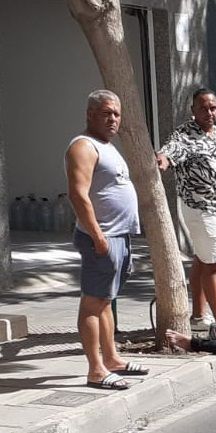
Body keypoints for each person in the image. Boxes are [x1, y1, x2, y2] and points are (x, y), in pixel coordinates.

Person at [65, 89, 147, 390]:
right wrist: (98, 236)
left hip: (118, 236)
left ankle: (112, 359)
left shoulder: (107, 145)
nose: (113, 119)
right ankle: (96, 370)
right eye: (106, 113)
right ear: (90, 114)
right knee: (92, 302)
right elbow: (78, 194)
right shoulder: (83, 146)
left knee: (106, 301)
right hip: (101, 237)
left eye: (117, 114)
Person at [156, 88, 216, 333]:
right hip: (200, 209)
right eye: (203, 108)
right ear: (193, 110)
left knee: (203, 260)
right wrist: (162, 158)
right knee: (214, 264)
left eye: (213, 107)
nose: (209, 112)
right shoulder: (185, 134)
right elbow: (171, 150)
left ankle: (197, 317)